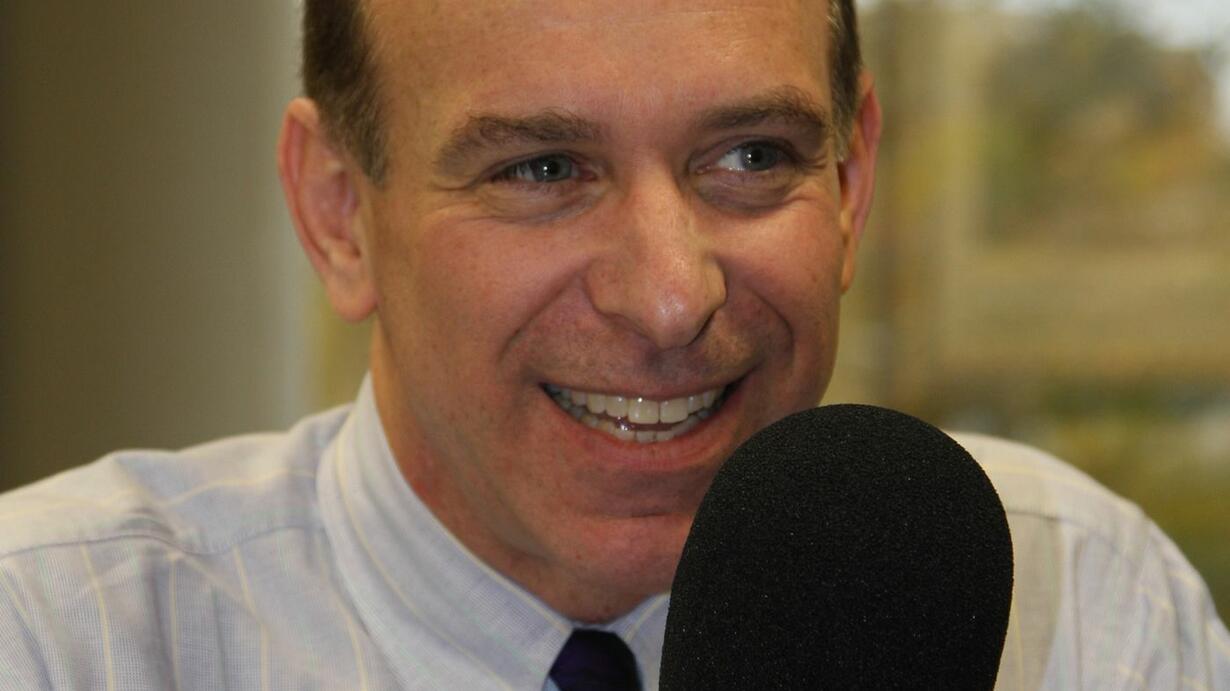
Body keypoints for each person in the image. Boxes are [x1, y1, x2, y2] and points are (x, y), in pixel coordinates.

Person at [1, 0, 1227, 688]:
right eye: (542, 169)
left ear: (852, 182)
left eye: (752, 156)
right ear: (338, 214)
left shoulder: (1081, 610)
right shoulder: (61, 636)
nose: (670, 297)